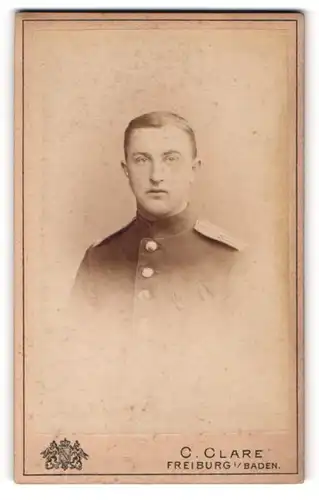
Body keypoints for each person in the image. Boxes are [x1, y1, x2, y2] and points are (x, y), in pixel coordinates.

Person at [69, 111, 248, 433]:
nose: (156, 175)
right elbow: (72, 367)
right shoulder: (100, 259)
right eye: (141, 160)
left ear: (194, 170)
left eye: (170, 159)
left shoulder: (232, 262)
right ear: (125, 170)